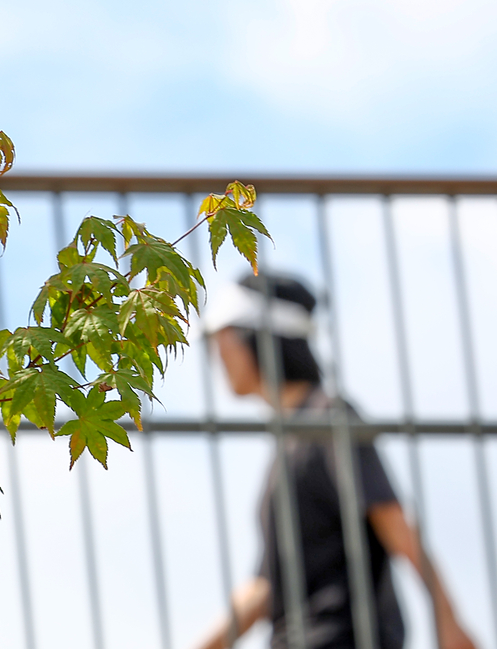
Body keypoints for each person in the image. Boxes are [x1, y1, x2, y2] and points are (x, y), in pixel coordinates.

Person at [192, 272, 476, 649]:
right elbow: (264, 588)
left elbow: (391, 519)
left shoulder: (329, 418)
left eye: (224, 337)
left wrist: (448, 620)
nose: (218, 354)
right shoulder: (290, 443)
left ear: (256, 336)